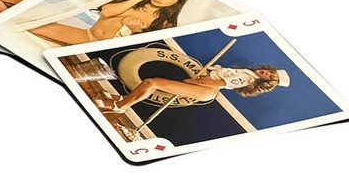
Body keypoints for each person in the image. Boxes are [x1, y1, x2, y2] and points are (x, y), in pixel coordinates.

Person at [28, 0, 190, 45]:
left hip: (100, 47)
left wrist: (135, 29)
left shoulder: (166, 22)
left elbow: (142, 44)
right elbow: (106, 11)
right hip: (88, 36)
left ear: (176, 3)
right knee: (32, 28)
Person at [98, 64, 291, 112]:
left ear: (266, 83)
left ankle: (121, 106)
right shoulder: (247, 72)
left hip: (205, 89)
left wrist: (192, 82)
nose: (267, 73)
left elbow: (219, 83)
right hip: (205, 86)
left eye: (270, 77)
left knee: (151, 82)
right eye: (270, 71)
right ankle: (120, 99)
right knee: (152, 83)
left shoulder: (246, 78)